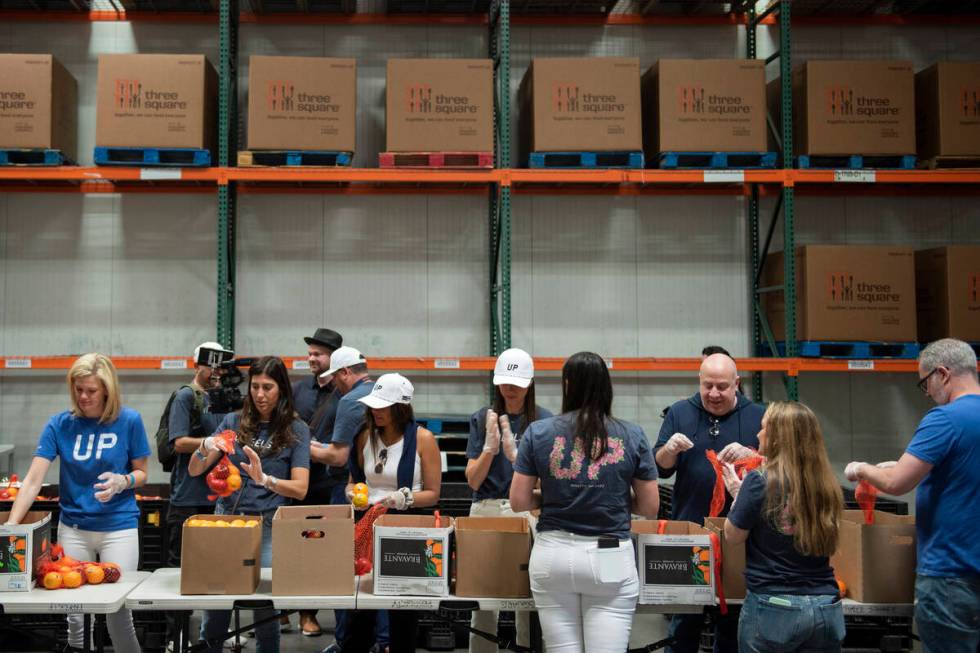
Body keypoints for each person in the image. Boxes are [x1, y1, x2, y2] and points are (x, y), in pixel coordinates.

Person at [510, 351, 660, 653]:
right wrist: (612, 498)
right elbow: (649, 507)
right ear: (607, 387)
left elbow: (518, 501)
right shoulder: (632, 434)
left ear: (568, 385)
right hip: (609, 554)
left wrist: (553, 497)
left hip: (553, 555)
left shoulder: (538, 432)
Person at [4, 353, 149, 653]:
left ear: (107, 389)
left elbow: (142, 473)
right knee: (76, 617)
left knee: (118, 615)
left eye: (91, 391)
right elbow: (32, 480)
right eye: (78, 389)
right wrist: (11, 526)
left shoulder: (130, 420)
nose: (83, 397)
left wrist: (124, 481)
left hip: (118, 528)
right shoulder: (60, 425)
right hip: (73, 529)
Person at [845, 338, 980, 653]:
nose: (929, 394)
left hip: (951, 576)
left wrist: (860, 468)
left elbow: (894, 483)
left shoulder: (944, 419)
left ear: (942, 374)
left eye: (925, 383)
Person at [190, 356, 310, 653]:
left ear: (281, 389)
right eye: (255, 386)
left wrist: (265, 480)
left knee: (264, 611)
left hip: (268, 524)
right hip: (226, 522)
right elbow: (195, 470)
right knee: (216, 604)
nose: (260, 394)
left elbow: (301, 489)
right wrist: (205, 446)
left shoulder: (296, 429)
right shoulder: (233, 422)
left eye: (267, 387)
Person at [654, 353, 764, 653]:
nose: (714, 394)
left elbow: (776, 468)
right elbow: (660, 467)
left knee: (734, 621)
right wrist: (670, 449)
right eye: (708, 386)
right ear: (699, 383)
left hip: (740, 536)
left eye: (722, 387)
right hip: (689, 535)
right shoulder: (679, 412)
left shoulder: (758, 415)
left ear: (737, 385)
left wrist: (751, 456)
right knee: (683, 622)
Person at [723, 401, 845, 653]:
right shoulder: (827, 483)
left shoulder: (759, 480)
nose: (758, 434)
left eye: (764, 428)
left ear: (778, 438)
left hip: (774, 608)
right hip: (826, 607)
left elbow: (732, 535)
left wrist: (739, 497)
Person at [341, 373, 442, 653]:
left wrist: (404, 498)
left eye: (384, 406)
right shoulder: (364, 437)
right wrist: (352, 494)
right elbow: (353, 481)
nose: (376, 411)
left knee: (403, 611)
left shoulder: (423, 439)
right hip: (366, 527)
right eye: (374, 405)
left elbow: (433, 493)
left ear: (401, 407)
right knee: (359, 608)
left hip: (405, 530)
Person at [464, 348, 552, 652]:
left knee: (528, 597)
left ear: (529, 383)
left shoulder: (545, 423)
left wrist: (518, 459)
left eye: (516, 382)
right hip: (486, 509)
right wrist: (489, 449)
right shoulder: (482, 418)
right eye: (504, 382)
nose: (509, 389)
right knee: (482, 598)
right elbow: (473, 480)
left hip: (529, 511)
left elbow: (550, 485)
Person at [164, 341, 232, 649]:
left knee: (217, 570)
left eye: (220, 366)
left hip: (222, 496)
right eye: (210, 365)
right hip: (188, 497)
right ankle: (174, 637)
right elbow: (178, 442)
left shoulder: (224, 398)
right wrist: (214, 441)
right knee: (181, 571)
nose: (216, 372)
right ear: (197, 366)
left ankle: (210, 635)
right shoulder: (186, 397)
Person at [315, 346, 378, 653]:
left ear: (345, 373)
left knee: (343, 568)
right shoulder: (381, 394)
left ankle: (346, 642)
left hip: (347, 492)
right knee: (375, 568)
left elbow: (338, 457)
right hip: (377, 495)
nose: (335, 385)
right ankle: (380, 641)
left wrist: (301, 444)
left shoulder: (351, 400)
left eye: (336, 378)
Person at [292, 328, 343, 638]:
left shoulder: (344, 393)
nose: (311, 358)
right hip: (299, 480)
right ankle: (302, 612)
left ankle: (322, 610)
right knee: (298, 545)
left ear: (333, 358)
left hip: (329, 482)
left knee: (325, 546)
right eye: (309, 353)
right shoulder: (298, 390)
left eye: (317, 354)